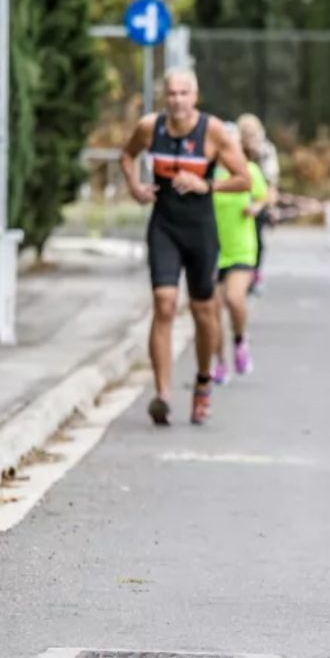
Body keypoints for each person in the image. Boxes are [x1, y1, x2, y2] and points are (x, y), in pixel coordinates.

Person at [120, 69, 251, 425]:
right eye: (171, 94)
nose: (176, 100)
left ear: (195, 96)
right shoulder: (151, 127)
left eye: (183, 93)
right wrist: (135, 187)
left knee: (203, 310)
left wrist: (205, 185)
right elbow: (127, 156)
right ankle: (162, 393)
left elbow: (243, 179)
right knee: (163, 303)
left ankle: (203, 382)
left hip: (200, 229)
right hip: (163, 225)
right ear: (165, 97)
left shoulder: (212, 131)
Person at [211, 122, 269, 383]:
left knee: (234, 299)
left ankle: (239, 341)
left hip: (241, 248)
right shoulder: (210, 172)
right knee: (211, 312)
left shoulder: (249, 170)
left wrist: (256, 208)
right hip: (212, 248)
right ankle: (219, 362)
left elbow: (264, 196)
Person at [236, 114, 280, 296]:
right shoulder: (233, 148)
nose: (249, 138)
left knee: (257, 241)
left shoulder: (266, 150)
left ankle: (253, 276)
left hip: (259, 199)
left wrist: (264, 205)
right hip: (236, 201)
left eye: (252, 134)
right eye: (245, 134)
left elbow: (271, 183)